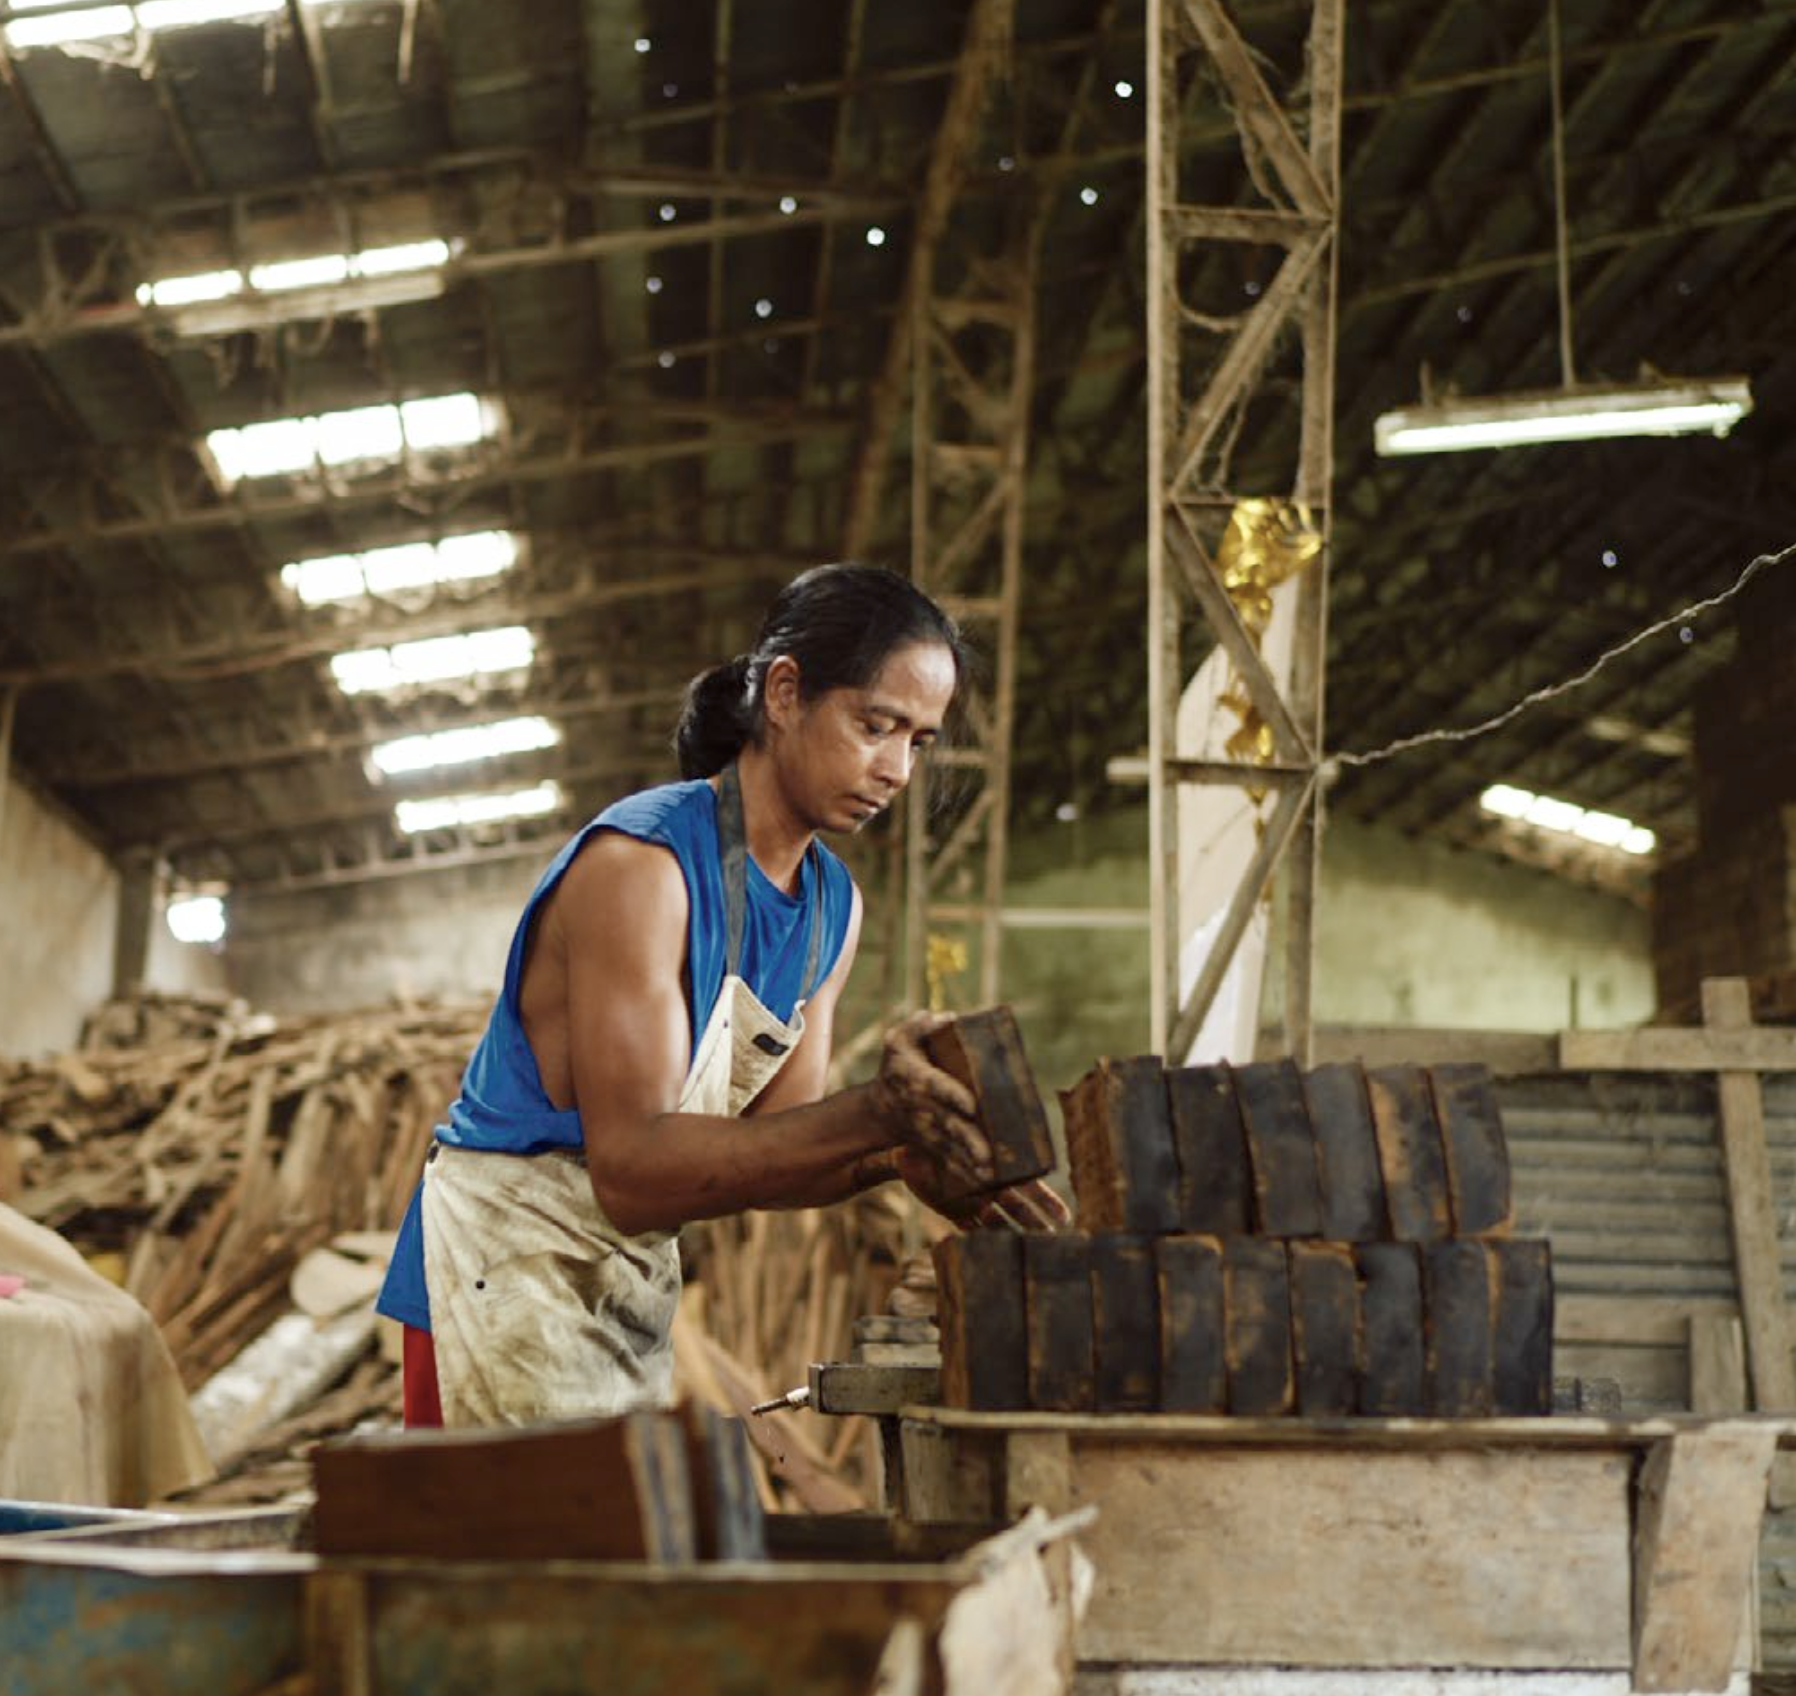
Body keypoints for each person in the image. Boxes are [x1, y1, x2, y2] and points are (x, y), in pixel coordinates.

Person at [376, 563, 1068, 1428]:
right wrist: (882, 1113)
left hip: (615, 1281)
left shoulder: (830, 907)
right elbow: (630, 1172)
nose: (895, 768)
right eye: (875, 725)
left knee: (609, 1552)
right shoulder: (642, 867)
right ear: (785, 693)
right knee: (508, 1560)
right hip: (501, 1269)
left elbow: (772, 1154)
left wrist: (907, 1157)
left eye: (918, 742)